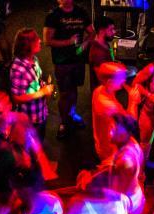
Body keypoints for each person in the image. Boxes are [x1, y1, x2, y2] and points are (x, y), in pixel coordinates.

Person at [43, 0, 94, 139]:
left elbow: (91, 33)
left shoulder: (81, 12)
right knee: (65, 93)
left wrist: (84, 44)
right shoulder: (53, 16)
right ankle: (64, 122)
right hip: (62, 62)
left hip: (78, 60)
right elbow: (47, 40)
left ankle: (72, 114)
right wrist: (68, 42)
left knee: (74, 89)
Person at [92, 62, 140, 163]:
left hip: (107, 142)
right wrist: (133, 102)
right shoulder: (107, 104)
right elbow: (131, 123)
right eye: (121, 78)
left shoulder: (100, 90)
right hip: (110, 150)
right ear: (110, 82)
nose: (124, 80)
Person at [10, 28, 53, 140]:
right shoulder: (18, 69)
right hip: (30, 120)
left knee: (41, 140)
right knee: (32, 146)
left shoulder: (34, 59)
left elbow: (35, 81)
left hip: (40, 112)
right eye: (36, 39)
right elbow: (16, 98)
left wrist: (44, 87)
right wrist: (41, 93)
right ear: (27, 46)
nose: (40, 41)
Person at [108, 113, 145, 214]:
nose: (110, 132)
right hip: (135, 197)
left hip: (127, 205)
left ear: (128, 133)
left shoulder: (125, 161)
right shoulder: (132, 142)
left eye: (115, 128)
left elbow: (118, 192)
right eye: (110, 127)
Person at [88, 16, 116, 92]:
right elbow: (101, 79)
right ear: (101, 31)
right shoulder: (98, 52)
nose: (114, 32)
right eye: (111, 29)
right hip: (103, 93)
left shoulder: (104, 44)